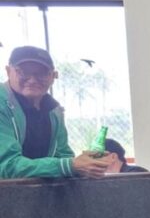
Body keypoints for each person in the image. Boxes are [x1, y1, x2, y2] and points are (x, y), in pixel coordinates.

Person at [0, 46, 110, 179]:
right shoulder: (3, 104)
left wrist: (85, 165)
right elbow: (6, 166)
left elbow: (63, 155)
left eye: (41, 73)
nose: (33, 79)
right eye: (23, 72)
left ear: (53, 76)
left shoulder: (54, 111)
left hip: (36, 195)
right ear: (8, 71)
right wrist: (69, 166)